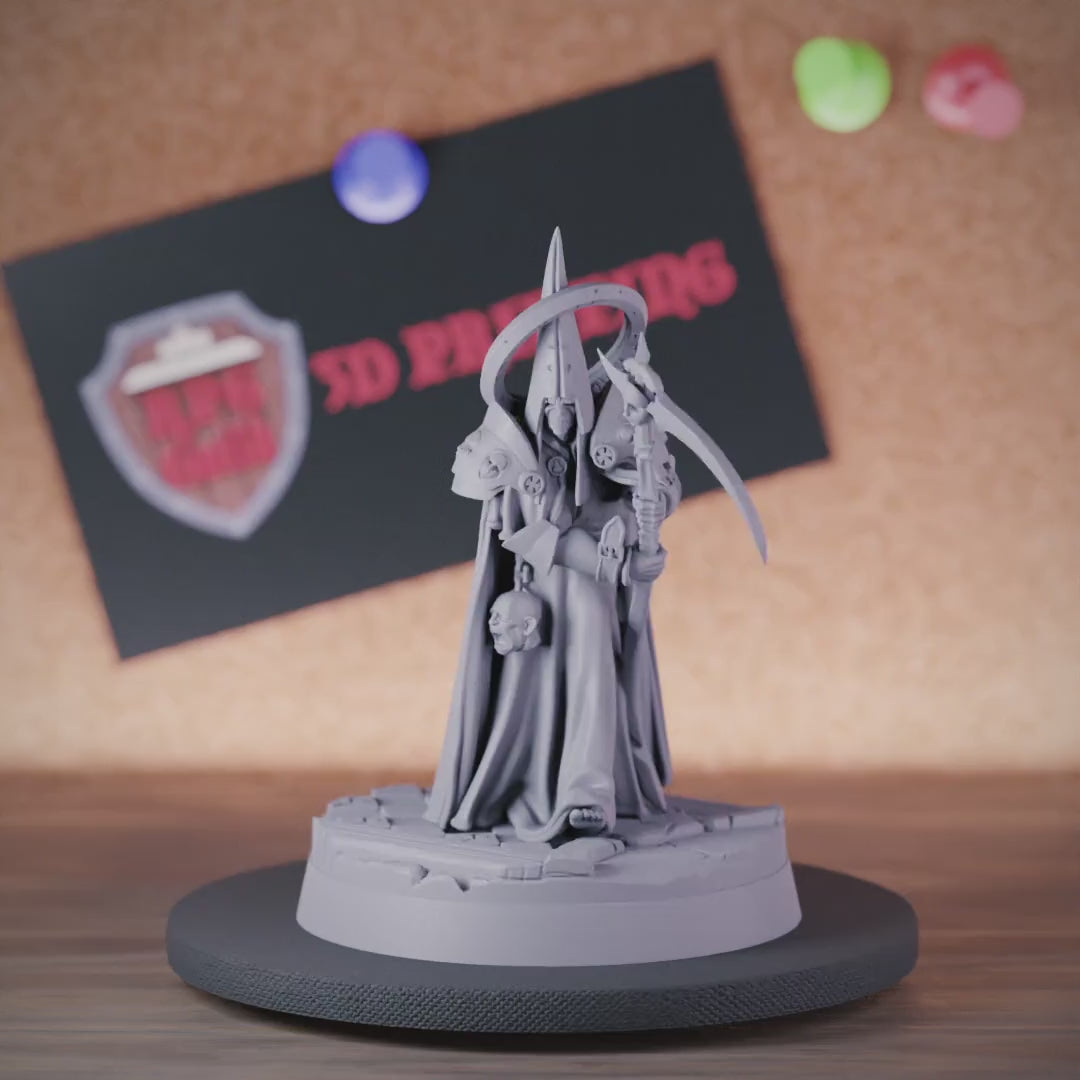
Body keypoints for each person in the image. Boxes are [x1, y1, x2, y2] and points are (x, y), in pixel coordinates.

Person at [424, 229, 681, 842]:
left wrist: (639, 523)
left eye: (572, 411)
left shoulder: (614, 430)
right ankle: (522, 782)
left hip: (595, 581)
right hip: (536, 588)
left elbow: (658, 488)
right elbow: (513, 531)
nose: (563, 417)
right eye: (553, 410)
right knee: (530, 687)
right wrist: (598, 556)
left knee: (593, 648)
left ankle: (586, 792)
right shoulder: (508, 446)